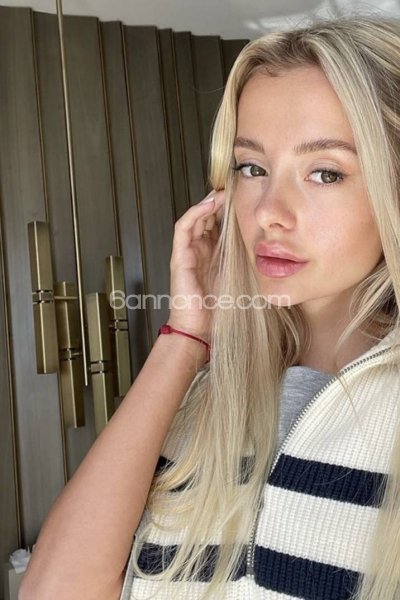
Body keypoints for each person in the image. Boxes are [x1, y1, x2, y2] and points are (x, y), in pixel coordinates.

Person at [20, 12, 400, 600]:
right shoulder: (207, 397)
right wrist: (184, 341)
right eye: (252, 168)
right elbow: (53, 591)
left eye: (325, 173)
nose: (269, 212)